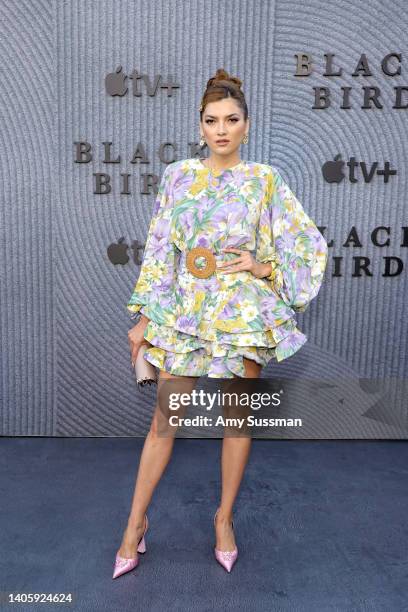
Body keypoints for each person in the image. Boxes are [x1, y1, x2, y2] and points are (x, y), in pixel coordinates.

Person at [113, 68, 328, 578]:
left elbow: (306, 242)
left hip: (243, 315)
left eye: (232, 119)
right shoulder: (178, 176)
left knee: (237, 420)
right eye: (212, 120)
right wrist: (143, 314)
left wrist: (263, 266)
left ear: (247, 126)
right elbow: (160, 248)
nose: (222, 129)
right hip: (186, 311)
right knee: (166, 419)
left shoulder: (265, 180)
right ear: (201, 125)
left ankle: (224, 519)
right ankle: (134, 524)